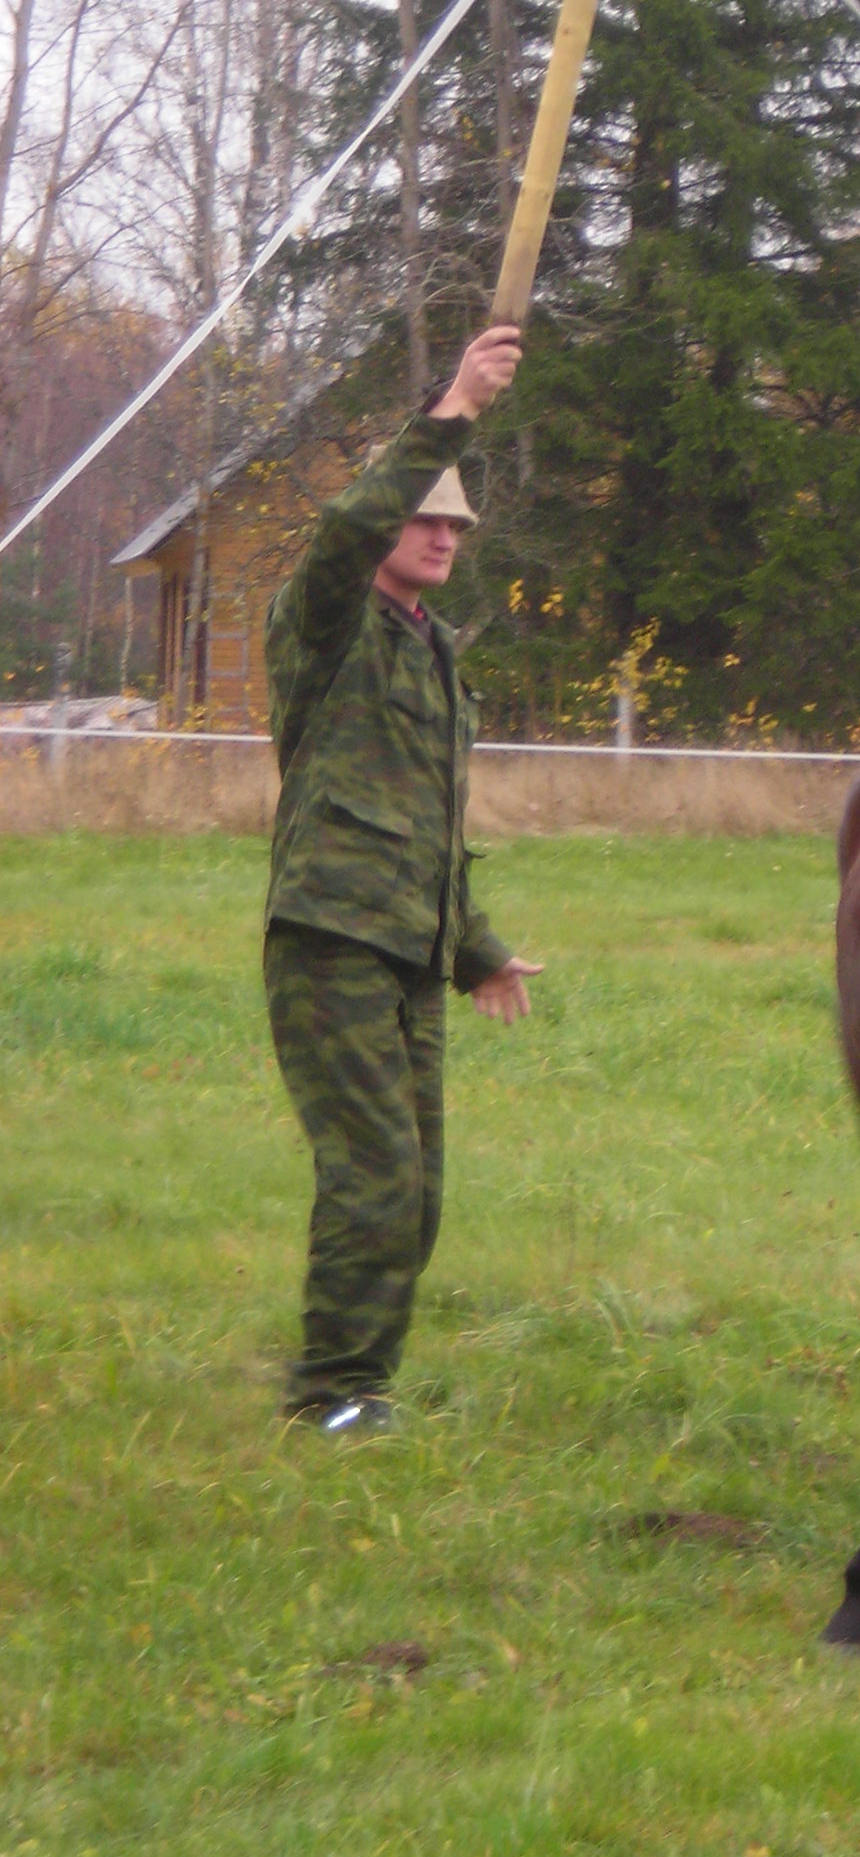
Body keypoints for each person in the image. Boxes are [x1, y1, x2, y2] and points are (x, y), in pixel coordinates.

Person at [263, 324, 544, 1435]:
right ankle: (329, 1392)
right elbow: (342, 529)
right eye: (424, 515)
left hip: (411, 949)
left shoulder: (434, 651)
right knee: (374, 1171)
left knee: (417, 1187)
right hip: (328, 935)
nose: (439, 533)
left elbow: (425, 819)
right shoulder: (327, 624)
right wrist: (457, 404)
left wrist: (474, 946)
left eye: (453, 521)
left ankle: (362, 1379)